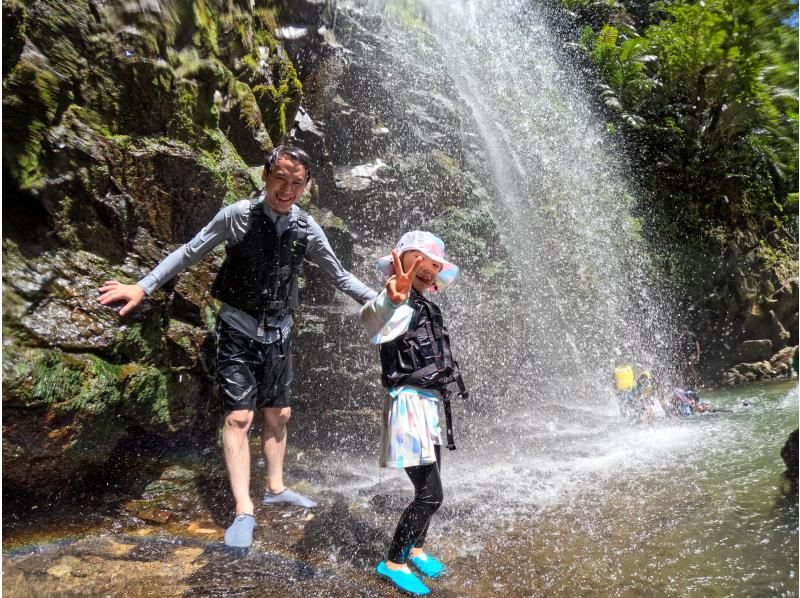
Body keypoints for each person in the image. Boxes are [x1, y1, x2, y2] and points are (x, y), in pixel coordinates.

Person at [97, 145, 377, 548]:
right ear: (266, 176)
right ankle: (244, 509)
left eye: (296, 182)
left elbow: (339, 276)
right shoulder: (237, 216)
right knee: (240, 418)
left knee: (279, 413)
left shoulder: (306, 227)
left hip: (280, 331)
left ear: (306, 186)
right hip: (238, 330)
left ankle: (276, 488)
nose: (287, 188)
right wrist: (143, 286)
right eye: (280, 178)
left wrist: (385, 304)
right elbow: (190, 252)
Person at [360, 231, 466, 596]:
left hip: (428, 405)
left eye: (434, 265)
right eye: (419, 259)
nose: (428, 268)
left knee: (433, 482)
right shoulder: (398, 302)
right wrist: (391, 300)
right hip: (407, 405)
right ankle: (393, 561)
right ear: (400, 262)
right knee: (430, 495)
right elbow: (372, 319)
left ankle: (417, 548)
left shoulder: (423, 304)